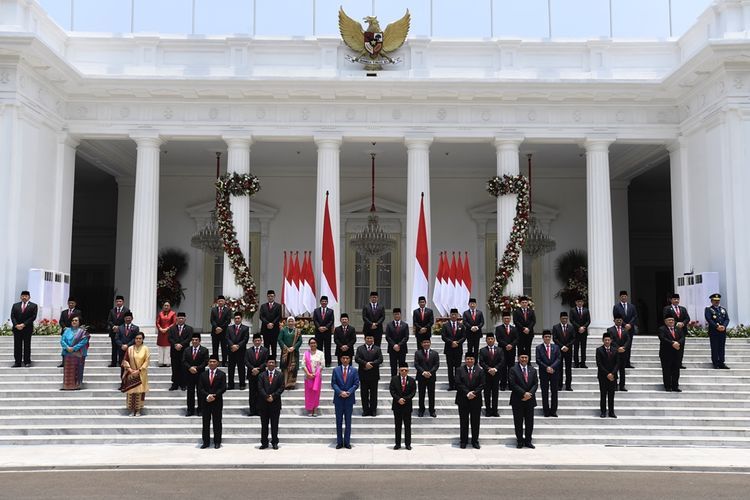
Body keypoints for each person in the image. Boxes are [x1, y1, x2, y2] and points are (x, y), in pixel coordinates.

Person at [455, 352, 484, 449]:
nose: (470, 361)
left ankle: (475, 441)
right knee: (464, 421)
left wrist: (474, 393)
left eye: (471, 359)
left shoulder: (480, 370)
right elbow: (458, 383)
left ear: (474, 360)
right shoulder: (459, 370)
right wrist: (467, 393)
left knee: (475, 421)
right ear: (465, 359)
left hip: (476, 400)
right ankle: (463, 441)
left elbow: (482, 384)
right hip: (463, 399)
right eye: (468, 359)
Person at [508, 353, 538, 449]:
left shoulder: (532, 370)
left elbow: (535, 384)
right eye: (522, 357)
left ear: (528, 359)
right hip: (518, 399)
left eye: (525, 357)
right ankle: (520, 441)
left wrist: (529, 394)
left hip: (530, 400)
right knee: (518, 421)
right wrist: (524, 393)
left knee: (529, 422)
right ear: (518, 358)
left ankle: (528, 441)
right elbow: (512, 384)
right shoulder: (513, 369)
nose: (524, 359)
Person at [332, 353, 359, 449]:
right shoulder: (336, 370)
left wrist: (349, 392)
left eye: (347, 358)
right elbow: (333, 383)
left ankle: (347, 442)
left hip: (349, 399)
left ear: (350, 359)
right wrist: (340, 392)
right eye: (343, 358)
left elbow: (356, 384)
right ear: (340, 359)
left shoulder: (354, 371)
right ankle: (339, 442)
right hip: (338, 399)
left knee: (348, 421)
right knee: (338, 421)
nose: (345, 360)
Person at [199, 355, 227, 449]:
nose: (212, 363)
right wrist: (208, 395)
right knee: (205, 422)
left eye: (214, 361)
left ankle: (217, 442)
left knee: (217, 422)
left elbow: (223, 388)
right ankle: (206, 442)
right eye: (210, 361)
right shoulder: (203, 374)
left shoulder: (221, 374)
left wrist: (214, 395)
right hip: (206, 401)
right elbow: (200, 388)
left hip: (217, 401)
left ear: (217, 363)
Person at [121, 331, 150, 417]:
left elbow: (147, 361)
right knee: (131, 392)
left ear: (142, 339)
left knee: (140, 393)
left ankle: (138, 411)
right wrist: (130, 369)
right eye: (137, 338)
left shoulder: (145, 349)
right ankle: (131, 410)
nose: (138, 340)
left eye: (140, 338)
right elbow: (125, 360)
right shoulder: (130, 349)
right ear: (134, 339)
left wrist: (139, 370)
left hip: (141, 374)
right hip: (131, 374)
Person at [258, 357, 284, 449]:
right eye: (269, 362)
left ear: (275, 364)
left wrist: (273, 396)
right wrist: (266, 396)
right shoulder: (261, 375)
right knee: (264, 425)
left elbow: (281, 388)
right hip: (263, 404)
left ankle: (274, 442)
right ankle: (264, 442)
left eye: (273, 362)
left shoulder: (280, 375)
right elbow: (260, 388)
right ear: (266, 364)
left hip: (275, 403)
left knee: (274, 424)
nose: (271, 364)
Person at [355, 333, 383, 417]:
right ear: (365, 339)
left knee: (374, 394)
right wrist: (365, 364)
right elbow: (357, 358)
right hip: (363, 374)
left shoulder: (377, 348)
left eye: (371, 338)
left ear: (373, 339)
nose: (369, 340)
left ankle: (373, 410)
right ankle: (365, 410)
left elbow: (380, 359)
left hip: (374, 375)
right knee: (364, 394)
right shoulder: (360, 348)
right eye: (368, 338)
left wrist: (371, 364)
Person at [390, 362, 416, 450]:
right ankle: (397, 444)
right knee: (398, 425)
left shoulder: (412, 380)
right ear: (399, 371)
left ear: (408, 371)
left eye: (405, 370)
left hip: (407, 406)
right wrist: (398, 399)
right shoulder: (394, 379)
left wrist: (405, 399)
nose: (404, 372)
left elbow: (413, 392)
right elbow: (392, 391)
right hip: (397, 406)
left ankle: (408, 444)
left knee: (407, 426)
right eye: (402, 370)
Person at [536, 330, 561, 417]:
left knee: (554, 392)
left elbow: (558, 359)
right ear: (543, 338)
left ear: (551, 338)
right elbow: (538, 360)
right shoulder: (539, 348)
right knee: (544, 392)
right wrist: (546, 367)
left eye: (549, 337)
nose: (547, 338)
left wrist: (552, 367)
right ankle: (546, 411)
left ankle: (553, 411)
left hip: (554, 372)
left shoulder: (556, 347)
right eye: (545, 337)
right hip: (544, 372)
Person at [60, 315, 89, 390]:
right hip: (67, 353)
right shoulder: (67, 330)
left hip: (78, 354)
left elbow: (84, 342)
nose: (74, 322)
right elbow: (62, 341)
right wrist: (67, 348)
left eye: (76, 320)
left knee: (77, 370)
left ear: (79, 322)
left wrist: (73, 348)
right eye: (73, 320)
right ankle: (67, 385)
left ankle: (76, 385)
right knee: (68, 371)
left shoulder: (83, 332)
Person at [10, 290, 37, 367]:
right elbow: (12, 316)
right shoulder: (15, 305)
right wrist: (16, 325)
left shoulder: (33, 306)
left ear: (29, 297)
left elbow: (33, 317)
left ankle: (27, 361)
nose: (24, 297)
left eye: (26, 296)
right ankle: (17, 362)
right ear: (20, 297)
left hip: (27, 329)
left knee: (27, 345)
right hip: (17, 329)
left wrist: (24, 324)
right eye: (23, 296)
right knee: (17, 345)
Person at [184, 333, 209, 417]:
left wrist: (197, 368)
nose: (194, 342)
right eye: (193, 340)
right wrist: (190, 368)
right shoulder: (187, 350)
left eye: (196, 340)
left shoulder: (204, 350)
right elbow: (184, 361)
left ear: (200, 341)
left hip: (200, 375)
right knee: (190, 393)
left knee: (200, 393)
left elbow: (205, 362)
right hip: (189, 374)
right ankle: (190, 410)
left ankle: (200, 409)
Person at [478, 333, 503, 417]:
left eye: (492, 339)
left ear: (494, 340)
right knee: (487, 393)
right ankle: (488, 410)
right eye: (488, 339)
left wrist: (495, 369)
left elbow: (501, 361)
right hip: (486, 375)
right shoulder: (482, 350)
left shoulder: (499, 350)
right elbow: (481, 362)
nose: (490, 340)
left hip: (496, 375)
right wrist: (489, 369)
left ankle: (495, 410)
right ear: (486, 340)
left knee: (495, 393)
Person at [662, 293, 690, 369]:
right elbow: (665, 318)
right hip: (671, 331)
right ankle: (671, 363)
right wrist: (676, 323)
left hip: (681, 332)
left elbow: (687, 318)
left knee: (681, 348)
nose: (676, 300)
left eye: (677, 299)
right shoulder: (667, 308)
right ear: (671, 300)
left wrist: (683, 323)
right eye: (674, 299)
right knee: (672, 346)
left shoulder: (683, 309)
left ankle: (679, 363)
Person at [441, 308, 466, 391]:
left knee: (458, 368)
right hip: (449, 349)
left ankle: (457, 385)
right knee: (450, 368)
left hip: (458, 349)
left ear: (458, 315)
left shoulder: (461, 326)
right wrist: (451, 342)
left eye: (455, 314)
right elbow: (443, 337)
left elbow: (464, 337)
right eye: (452, 314)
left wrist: (457, 343)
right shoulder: (445, 325)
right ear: (450, 315)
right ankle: (451, 385)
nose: (454, 316)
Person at [414, 337, 439, 417]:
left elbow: (436, 365)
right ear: (421, 344)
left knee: (431, 394)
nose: (426, 344)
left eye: (428, 342)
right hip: (421, 377)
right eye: (424, 342)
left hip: (431, 377)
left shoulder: (435, 353)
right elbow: (416, 364)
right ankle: (421, 410)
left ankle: (432, 410)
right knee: (421, 394)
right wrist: (423, 372)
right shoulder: (418, 353)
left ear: (430, 343)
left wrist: (430, 372)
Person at [658, 315, 685, 392]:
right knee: (667, 370)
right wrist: (673, 343)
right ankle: (667, 386)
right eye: (669, 320)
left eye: (672, 320)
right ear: (665, 321)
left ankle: (675, 386)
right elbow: (662, 338)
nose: (671, 321)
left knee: (676, 371)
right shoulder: (662, 329)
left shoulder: (678, 329)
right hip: (666, 354)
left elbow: (682, 337)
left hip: (677, 353)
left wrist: (678, 343)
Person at [596, 332, 619, 418]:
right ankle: (603, 411)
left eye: (608, 340)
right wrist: (607, 374)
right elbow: (599, 364)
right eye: (605, 340)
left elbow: (617, 363)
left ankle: (611, 412)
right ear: (603, 340)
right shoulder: (599, 350)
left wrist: (612, 373)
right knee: (603, 394)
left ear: (611, 340)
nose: (607, 341)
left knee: (611, 395)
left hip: (613, 377)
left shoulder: (615, 350)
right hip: (603, 376)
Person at [167, 312, 193, 390]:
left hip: (184, 351)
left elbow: (189, 339)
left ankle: (183, 384)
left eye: (182, 318)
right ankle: (175, 384)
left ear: (185, 319)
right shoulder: (172, 328)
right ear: (176, 319)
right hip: (174, 351)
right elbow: (169, 338)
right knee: (175, 368)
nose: (181, 319)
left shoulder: (189, 328)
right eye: (179, 318)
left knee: (183, 368)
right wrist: (175, 345)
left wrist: (181, 345)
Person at [245, 333, 268, 416]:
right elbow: (246, 361)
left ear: (261, 341)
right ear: (253, 341)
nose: (257, 342)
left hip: (261, 374)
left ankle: (259, 410)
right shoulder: (248, 351)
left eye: (259, 340)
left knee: (260, 392)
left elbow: (266, 362)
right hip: (251, 374)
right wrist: (252, 369)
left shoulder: (265, 350)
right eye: (256, 341)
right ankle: (252, 410)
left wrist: (258, 369)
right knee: (252, 393)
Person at [705, 293, 730, 369]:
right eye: (715, 300)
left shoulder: (723, 309)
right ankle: (715, 363)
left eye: (718, 300)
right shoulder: (708, 309)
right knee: (715, 347)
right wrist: (717, 326)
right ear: (711, 301)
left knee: (721, 347)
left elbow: (727, 319)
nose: (717, 302)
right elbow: (709, 319)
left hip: (722, 331)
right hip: (714, 332)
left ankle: (721, 362)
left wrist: (724, 326)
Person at [613, 291, 637, 368]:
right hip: (621, 328)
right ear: (620, 297)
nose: (624, 297)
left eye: (625, 296)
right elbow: (616, 317)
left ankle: (627, 363)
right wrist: (624, 324)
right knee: (620, 345)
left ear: (627, 297)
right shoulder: (616, 307)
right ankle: (620, 363)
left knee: (628, 345)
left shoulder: (632, 306)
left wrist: (630, 324)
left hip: (630, 328)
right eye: (622, 296)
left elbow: (634, 316)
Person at [607, 313, 631, 391]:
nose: (619, 321)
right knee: (614, 369)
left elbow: (628, 340)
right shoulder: (610, 330)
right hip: (614, 353)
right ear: (614, 321)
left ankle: (622, 386)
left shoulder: (625, 330)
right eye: (617, 320)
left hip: (623, 353)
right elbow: (611, 340)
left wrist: (623, 347)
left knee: (622, 370)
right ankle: (614, 385)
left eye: (620, 320)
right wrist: (618, 348)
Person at [226, 313, 249, 390]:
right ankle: (230, 384)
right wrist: (232, 346)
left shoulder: (245, 328)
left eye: (238, 318)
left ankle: (242, 384)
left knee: (241, 368)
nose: (237, 320)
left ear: (241, 319)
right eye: (235, 318)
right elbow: (227, 338)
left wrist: (238, 346)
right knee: (231, 368)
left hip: (241, 351)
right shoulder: (229, 328)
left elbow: (245, 339)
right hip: (231, 351)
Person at [495, 311, 517, 391]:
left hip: (512, 351)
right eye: (505, 318)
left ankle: (511, 384)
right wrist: (506, 345)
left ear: (510, 319)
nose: (507, 320)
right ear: (502, 319)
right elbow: (498, 339)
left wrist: (511, 345)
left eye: (508, 318)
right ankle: (503, 384)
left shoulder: (514, 328)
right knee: (503, 368)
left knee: (511, 368)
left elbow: (516, 339)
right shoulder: (498, 328)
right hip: (502, 351)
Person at [278, 316, 303, 389]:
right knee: (285, 367)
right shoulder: (283, 330)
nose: (291, 323)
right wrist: (285, 348)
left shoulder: (298, 331)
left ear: (294, 322)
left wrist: (294, 347)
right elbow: (279, 339)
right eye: (289, 321)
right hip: (285, 352)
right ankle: (284, 383)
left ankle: (291, 384)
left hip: (294, 352)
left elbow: (300, 341)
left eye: (292, 321)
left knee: (293, 368)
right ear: (287, 322)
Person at [303, 337, 325, 416]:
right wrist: (308, 374)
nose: (313, 344)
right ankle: (310, 409)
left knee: (316, 393)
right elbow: (303, 364)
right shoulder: (306, 353)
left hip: (317, 377)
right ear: (309, 344)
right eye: (311, 343)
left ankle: (315, 409)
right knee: (309, 393)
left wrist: (316, 374)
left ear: (316, 344)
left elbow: (322, 365)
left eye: (314, 343)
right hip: (308, 376)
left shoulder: (320, 353)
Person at [57, 297, 82, 367]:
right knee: (65, 348)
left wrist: (72, 329)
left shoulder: (78, 312)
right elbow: (61, 321)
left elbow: (78, 321)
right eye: (69, 303)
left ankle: (72, 363)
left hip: (74, 333)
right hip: (65, 332)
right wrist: (65, 327)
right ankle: (63, 363)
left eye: (72, 303)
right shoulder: (64, 312)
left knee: (73, 348)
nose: (70, 304)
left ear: (75, 304)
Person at [107, 295, 131, 367]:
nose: (118, 303)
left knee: (121, 348)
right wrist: (113, 326)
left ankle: (121, 362)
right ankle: (113, 363)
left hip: (122, 332)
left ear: (123, 302)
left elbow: (127, 320)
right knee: (114, 348)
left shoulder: (127, 310)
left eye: (120, 301)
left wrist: (119, 327)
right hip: (113, 332)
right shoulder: (112, 310)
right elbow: (109, 320)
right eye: (117, 301)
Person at [553, 312, 574, 391]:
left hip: (568, 350)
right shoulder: (556, 327)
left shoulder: (571, 327)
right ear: (560, 318)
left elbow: (573, 338)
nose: (565, 320)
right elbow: (555, 338)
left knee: (568, 369)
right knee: (559, 368)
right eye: (563, 318)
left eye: (566, 318)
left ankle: (568, 386)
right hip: (559, 350)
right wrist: (562, 346)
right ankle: (559, 385)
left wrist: (567, 346)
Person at [385, 308, 409, 377]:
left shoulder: (405, 325)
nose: (396, 315)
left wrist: (399, 345)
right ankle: (393, 381)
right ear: (393, 315)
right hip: (392, 349)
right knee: (393, 366)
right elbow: (388, 337)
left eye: (398, 314)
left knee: (401, 366)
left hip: (402, 349)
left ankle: (401, 381)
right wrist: (394, 345)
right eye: (395, 314)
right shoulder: (389, 325)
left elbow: (406, 337)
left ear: (400, 315)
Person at [259, 290, 282, 359]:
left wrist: (272, 323)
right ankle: (266, 360)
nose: (270, 297)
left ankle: (273, 360)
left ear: (274, 296)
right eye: (269, 296)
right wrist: (267, 323)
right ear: (267, 297)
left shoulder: (278, 306)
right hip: (266, 329)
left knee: (274, 346)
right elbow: (261, 316)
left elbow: (279, 316)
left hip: (274, 329)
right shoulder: (263, 306)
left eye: (272, 296)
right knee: (266, 346)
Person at [313, 295, 335, 367]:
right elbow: (315, 320)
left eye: (325, 301)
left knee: (327, 348)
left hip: (327, 332)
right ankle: (319, 362)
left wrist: (326, 327)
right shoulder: (316, 310)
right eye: (323, 301)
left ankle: (328, 362)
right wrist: (319, 327)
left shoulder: (331, 311)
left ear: (327, 302)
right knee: (319, 347)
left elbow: (331, 321)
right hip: (318, 332)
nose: (324, 302)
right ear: (320, 302)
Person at [209, 295, 231, 366]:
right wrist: (216, 327)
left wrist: (221, 328)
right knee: (215, 348)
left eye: (222, 301)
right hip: (215, 332)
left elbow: (228, 321)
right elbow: (212, 320)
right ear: (217, 302)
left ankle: (224, 362)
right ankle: (216, 362)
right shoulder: (213, 309)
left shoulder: (228, 310)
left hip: (224, 332)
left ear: (224, 302)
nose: (220, 302)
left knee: (224, 348)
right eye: (219, 301)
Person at [570, 297, 591, 368]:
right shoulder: (572, 310)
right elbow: (571, 320)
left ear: (583, 302)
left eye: (581, 301)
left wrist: (583, 327)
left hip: (584, 332)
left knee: (583, 348)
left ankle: (583, 363)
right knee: (576, 348)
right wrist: (579, 327)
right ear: (576, 302)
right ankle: (576, 363)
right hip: (576, 331)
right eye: (578, 301)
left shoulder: (586, 310)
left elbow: (588, 321)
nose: (580, 303)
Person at [156, 301, 176, 367]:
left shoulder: (173, 313)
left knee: (168, 348)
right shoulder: (160, 313)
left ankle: (167, 362)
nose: (166, 307)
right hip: (161, 333)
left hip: (169, 333)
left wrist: (167, 328)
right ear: (163, 306)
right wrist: (160, 328)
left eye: (167, 305)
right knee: (161, 347)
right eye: (165, 305)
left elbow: (174, 323)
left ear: (170, 306)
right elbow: (157, 322)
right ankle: (161, 362)